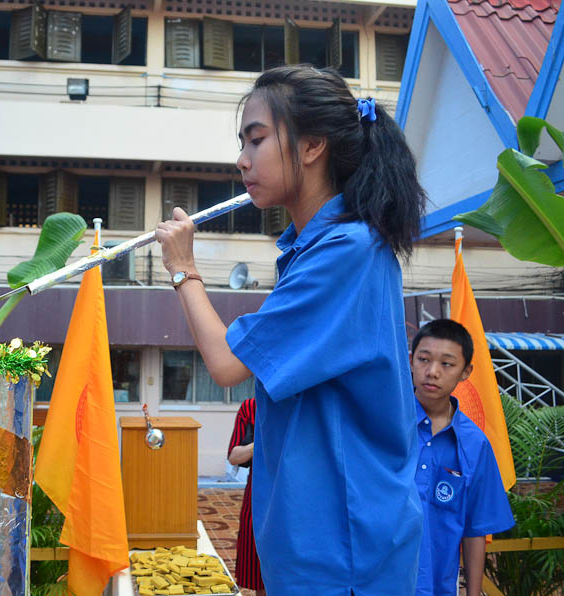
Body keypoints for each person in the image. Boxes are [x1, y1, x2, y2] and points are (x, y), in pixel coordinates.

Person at [155, 64, 427, 595]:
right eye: (243, 143)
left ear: (312, 146)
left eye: (256, 140)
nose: (242, 159)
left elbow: (226, 364)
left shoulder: (346, 252)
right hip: (317, 541)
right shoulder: (319, 249)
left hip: (344, 547)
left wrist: (183, 268)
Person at [410, 320, 514, 596]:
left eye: (447, 364)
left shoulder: (475, 444)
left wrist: (473, 593)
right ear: (410, 361)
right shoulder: (384, 425)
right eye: (424, 359)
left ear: (466, 372)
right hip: (379, 583)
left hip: (438, 586)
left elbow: (475, 527)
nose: (432, 372)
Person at [227, 396, 265, 595]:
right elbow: (234, 456)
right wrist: (259, 442)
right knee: (259, 562)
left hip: (298, 491)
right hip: (260, 489)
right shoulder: (251, 407)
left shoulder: (305, 405)